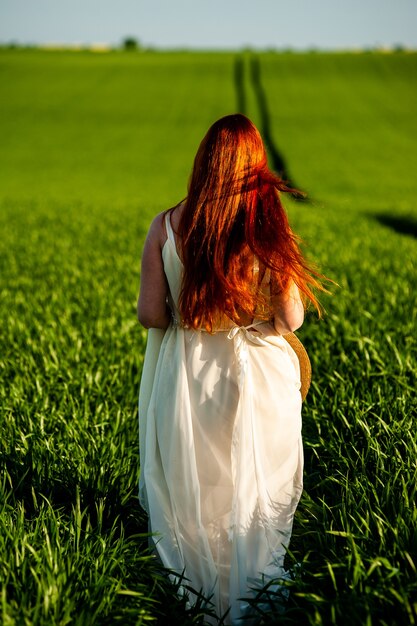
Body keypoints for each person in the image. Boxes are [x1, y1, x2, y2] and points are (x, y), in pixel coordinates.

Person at [137, 114, 324, 624]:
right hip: (257, 376)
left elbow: (151, 314)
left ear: (204, 164)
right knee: (254, 488)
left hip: (187, 375)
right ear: (255, 168)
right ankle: (253, 596)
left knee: (197, 487)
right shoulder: (267, 226)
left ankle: (198, 601)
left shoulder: (166, 224)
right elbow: (289, 317)